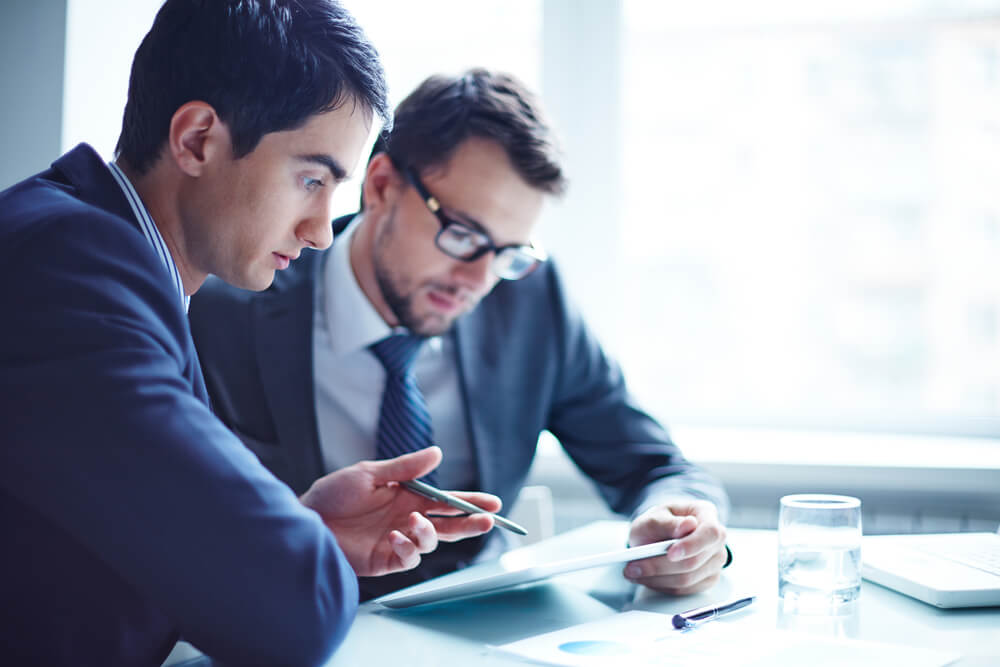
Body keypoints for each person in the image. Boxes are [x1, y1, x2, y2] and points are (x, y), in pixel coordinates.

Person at [0, 2, 501, 665]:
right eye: (310, 179)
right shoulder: (74, 269)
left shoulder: (100, 254)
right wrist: (293, 547)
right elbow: (299, 607)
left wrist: (304, 523)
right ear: (198, 139)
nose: (322, 230)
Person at [190, 68, 732, 602]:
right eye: (464, 235)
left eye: (506, 254)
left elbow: (654, 465)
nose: (478, 281)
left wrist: (683, 521)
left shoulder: (530, 301)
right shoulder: (229, 312)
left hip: (482, 636)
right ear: (381, 185)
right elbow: (187, 539)